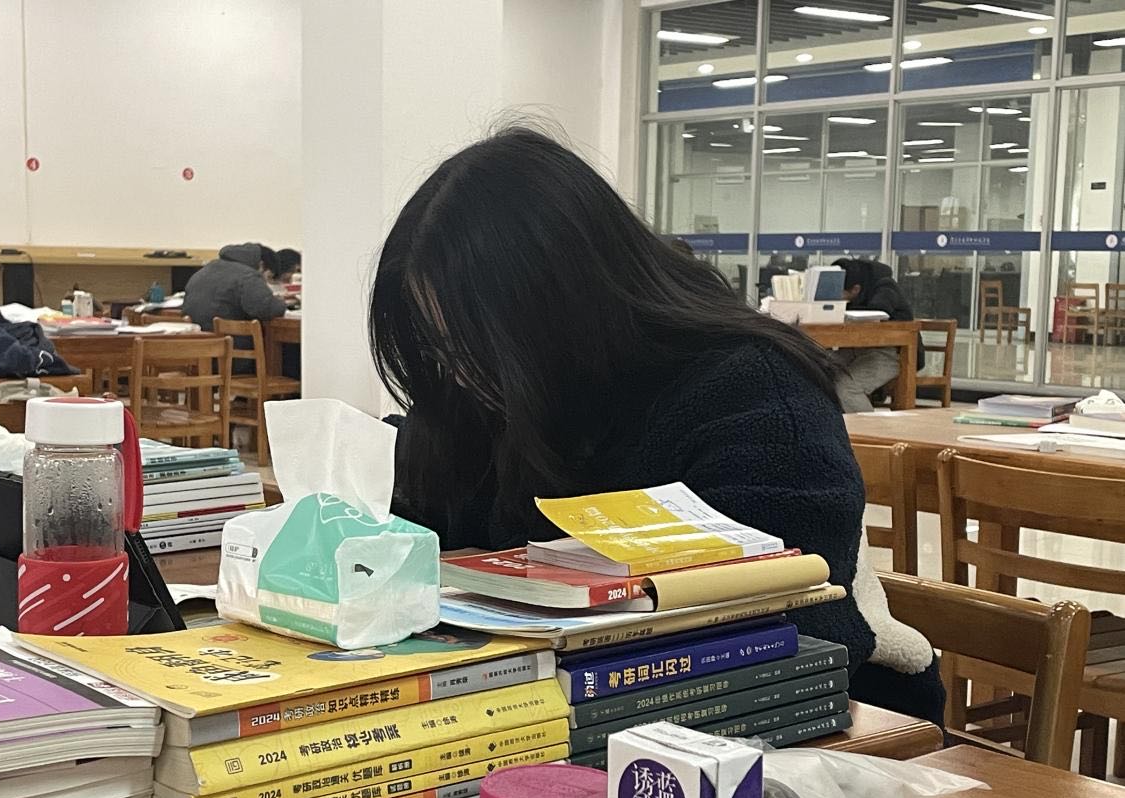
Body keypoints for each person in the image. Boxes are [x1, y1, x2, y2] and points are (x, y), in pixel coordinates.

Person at [369, 127, 945, 726]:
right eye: (441, 349)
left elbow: (784, 632)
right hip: (551, 719)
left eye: (477, 346)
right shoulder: (482, 398)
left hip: (818, 724)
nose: (460, 374)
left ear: (560, 307)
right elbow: (421, 528)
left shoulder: (755, 394)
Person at [830, 258, 924, 414]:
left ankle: (871, 427)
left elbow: (879, 310)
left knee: (846, 388)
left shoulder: (886, 287)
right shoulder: (856, 288)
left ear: (855, 290)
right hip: (857, 348)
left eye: (838, 293)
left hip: (894, 353)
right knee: (819, 371)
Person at [182, 243, 288, 331]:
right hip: (231, 342)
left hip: (198, 340)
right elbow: (267, 309)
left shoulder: (206, 269)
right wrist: (280, 302)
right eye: (267, 277)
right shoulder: (248, 275)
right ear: (261, 265)